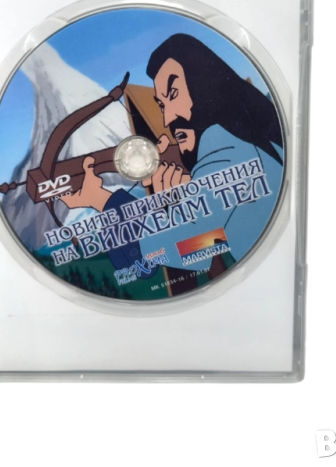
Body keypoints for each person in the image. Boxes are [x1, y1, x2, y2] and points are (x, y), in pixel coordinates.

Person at [61, 34, 284, 287]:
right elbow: (209, 240)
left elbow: (159, 255)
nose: (167, 119)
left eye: (174, 93)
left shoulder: (221, 141)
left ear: (205, 85)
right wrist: (186, 196)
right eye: (161, 104)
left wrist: (100, 199)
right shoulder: (249, 135)